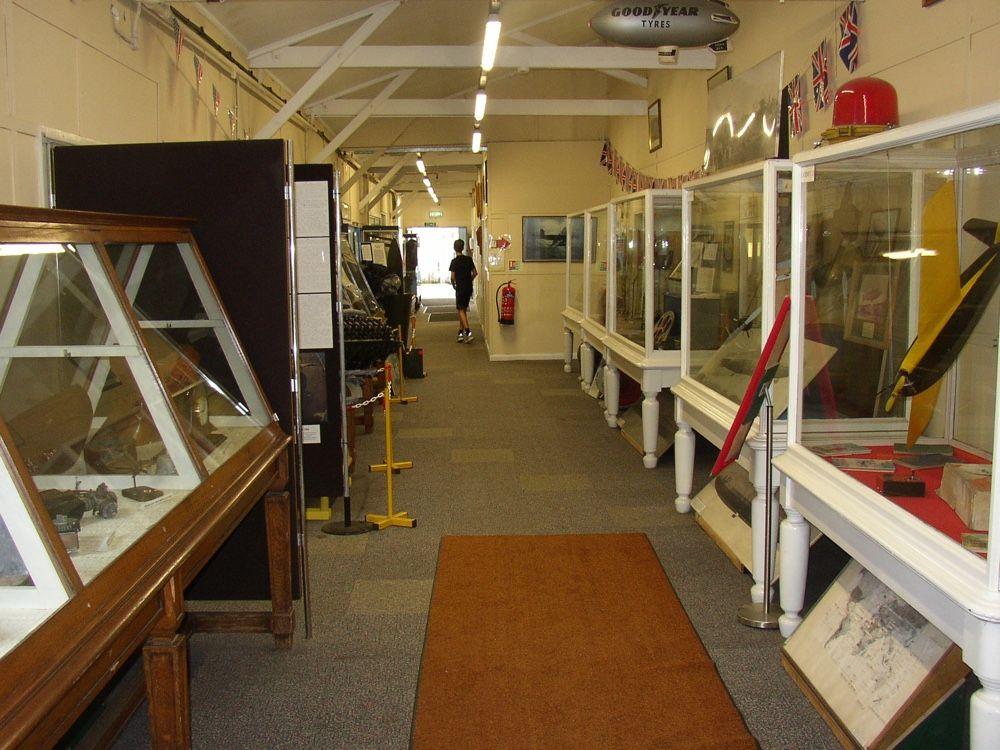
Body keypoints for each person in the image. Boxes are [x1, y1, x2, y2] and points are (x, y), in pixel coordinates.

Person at [449, 238, 477, 342]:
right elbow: (475, 273)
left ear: (454, 248)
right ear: (463, 247)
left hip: (460, 288)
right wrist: (469, 280)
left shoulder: (454, 262)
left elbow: (452, 277)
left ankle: (468, 332)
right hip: (468, 287)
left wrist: (454, 285)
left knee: (460, 309)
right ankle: (460, 333)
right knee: (463, 309)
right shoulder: (469, 259)